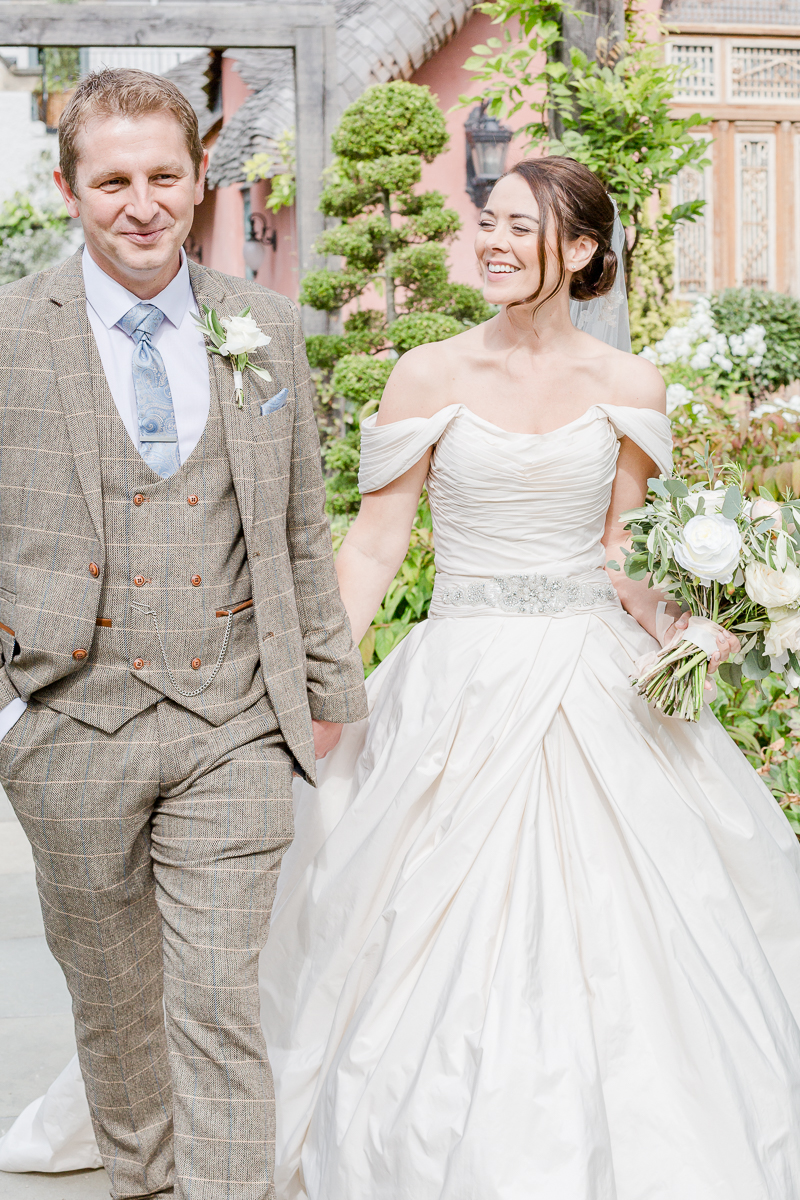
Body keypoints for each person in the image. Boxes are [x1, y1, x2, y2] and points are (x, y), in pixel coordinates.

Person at [259, 157, 800, 1198]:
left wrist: (697, 626)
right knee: (409, 917)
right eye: (486, 222)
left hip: (593, 677)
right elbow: (373, 548)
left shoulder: (629, 385)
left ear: (584, 249)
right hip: (455, 678)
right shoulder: (426, 373)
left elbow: (621, 555)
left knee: (634, 925)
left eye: (521, 227)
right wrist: (323, 682)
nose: (492, 243)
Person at [0, 67, 366, 1200]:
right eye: (113, 181)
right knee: (113, 1006)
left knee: (214, 1000)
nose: (142, 203)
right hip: (69, 718)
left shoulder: (258, 327)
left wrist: (329, 695)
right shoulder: (13, 334)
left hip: (232, 720)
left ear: (201, 176)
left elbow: (300, 522)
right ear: (71, 191)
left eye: (165, 175)